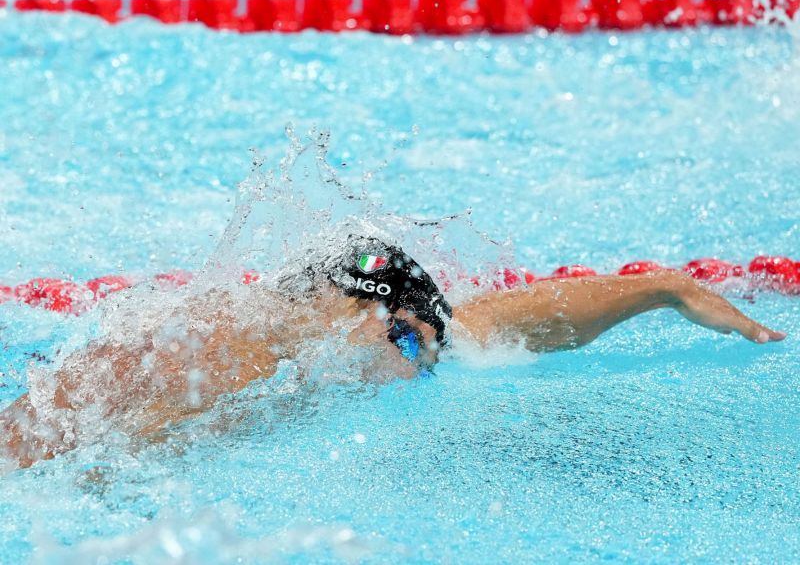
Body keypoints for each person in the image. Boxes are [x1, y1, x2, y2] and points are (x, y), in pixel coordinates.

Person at [0, 236, 786, 470]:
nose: (418, 366)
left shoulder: (362, 338)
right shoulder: (207, 350)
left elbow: (519, 322)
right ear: (348, 311)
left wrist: (663, 291)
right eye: (408, 341)